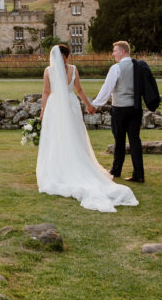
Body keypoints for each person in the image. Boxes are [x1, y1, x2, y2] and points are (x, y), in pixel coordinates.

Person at [36, 44, 138, 212]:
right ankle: (75, 166)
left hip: (55, 107)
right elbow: (79, 90)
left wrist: (43, 110)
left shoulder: (48, 71)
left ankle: (58, 170)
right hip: (70, 105)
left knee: (55, 138)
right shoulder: (74, 69)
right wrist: (89, 105)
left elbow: (46, 92)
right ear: (68, 57)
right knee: (74, 136)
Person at [91, 40, 144, 182]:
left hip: (120, 108)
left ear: (122, 52)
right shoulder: (139, 66)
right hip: (136, 108)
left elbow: (107, 88)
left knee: (119, 140)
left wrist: (95, 104)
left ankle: (116, 170)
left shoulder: (116, 68)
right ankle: (139, 174)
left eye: (115, 51)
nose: (113, 53)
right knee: (135, 141)